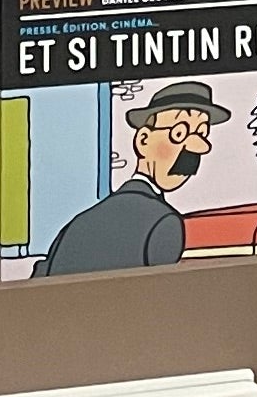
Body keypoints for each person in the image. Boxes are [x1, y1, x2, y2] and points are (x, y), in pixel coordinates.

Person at [35, 84, 214, 276]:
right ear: (143, 140)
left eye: (202, 134)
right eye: (178, 134)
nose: (195, 149)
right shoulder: (163, 223)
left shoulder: (77, 224)